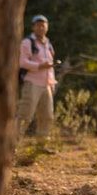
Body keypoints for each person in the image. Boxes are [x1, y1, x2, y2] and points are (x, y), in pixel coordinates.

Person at [17, 15, 57, 147]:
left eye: (43, 25)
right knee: (25, 115)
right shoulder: (27, 42)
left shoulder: (48, 44)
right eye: (38, 25)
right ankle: (12, 146)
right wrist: (39, 66)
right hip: (32, 83)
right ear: (33, 27)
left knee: (47, 116)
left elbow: (50, 67)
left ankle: (41, 146)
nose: (41, 27)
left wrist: (52, 83)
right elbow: (22, 62)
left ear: (47, 27)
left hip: (46, 85)